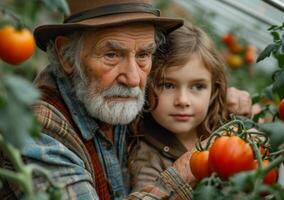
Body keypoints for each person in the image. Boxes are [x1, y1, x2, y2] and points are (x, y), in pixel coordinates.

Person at [0, 1, 253, 199]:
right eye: (111, 54)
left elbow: (184, 74)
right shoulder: (38, 127)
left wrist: (224, 96)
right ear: (67, 56)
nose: (133, 78)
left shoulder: (112, 93)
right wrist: (186, 173)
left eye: (144, 54)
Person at [128, 24, 230, 197]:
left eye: (198, 86)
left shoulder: (224, 126)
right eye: (168, 85)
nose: (183, 100)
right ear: (147, 87)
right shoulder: (147, 159)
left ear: (214, 89)